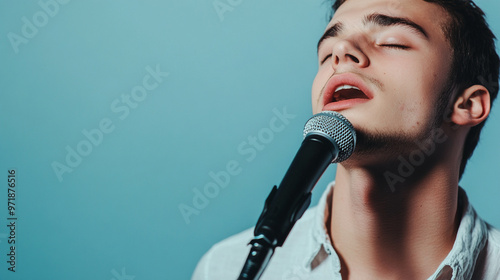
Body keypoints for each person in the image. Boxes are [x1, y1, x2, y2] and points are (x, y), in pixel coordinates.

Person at [192, 0, 500, 279]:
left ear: (467, 104)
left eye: (392, 42)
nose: (341, 53)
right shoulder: (223, 268)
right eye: (327, 54)